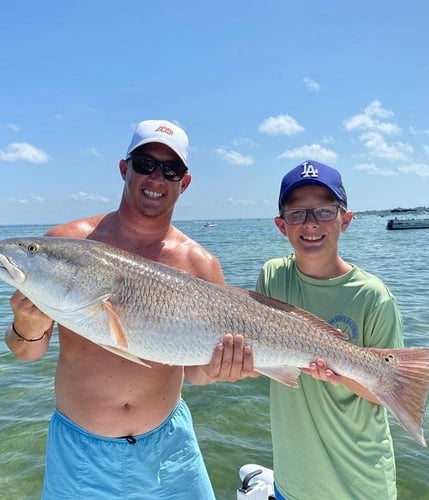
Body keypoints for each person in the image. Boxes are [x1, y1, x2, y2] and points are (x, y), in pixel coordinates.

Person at [5, 119, 254, 499]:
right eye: (145, 164)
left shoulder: (200, 264)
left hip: (170, 451)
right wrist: (25, 322)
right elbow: (27, 352)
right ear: (125, 168)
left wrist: (225, 367)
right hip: (80, 453)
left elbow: (197, 375)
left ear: (184, 183)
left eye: (171, 170)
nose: (157, 178)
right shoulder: (67, 242)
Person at [256, 160, 404, 499]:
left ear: (345, 219)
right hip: (291, 483)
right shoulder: (272, 277)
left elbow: (390, 393)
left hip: (360, 484)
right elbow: (266, 353)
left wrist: (340, 372)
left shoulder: (373, 297)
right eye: (297, 214)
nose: (310, 224)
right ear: (282, 225)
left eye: (324, 211)